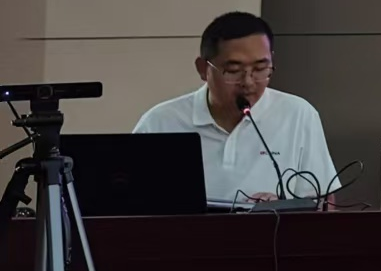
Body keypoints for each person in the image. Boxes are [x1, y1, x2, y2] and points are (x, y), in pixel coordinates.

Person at [133, 11, 339, 207]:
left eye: (260, 69)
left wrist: (283, 206)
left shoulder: (297, 114)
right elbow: (129, 205)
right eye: (233, 70)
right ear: (203, 69)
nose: (248, 82)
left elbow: (324, 204)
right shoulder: (160, 122)